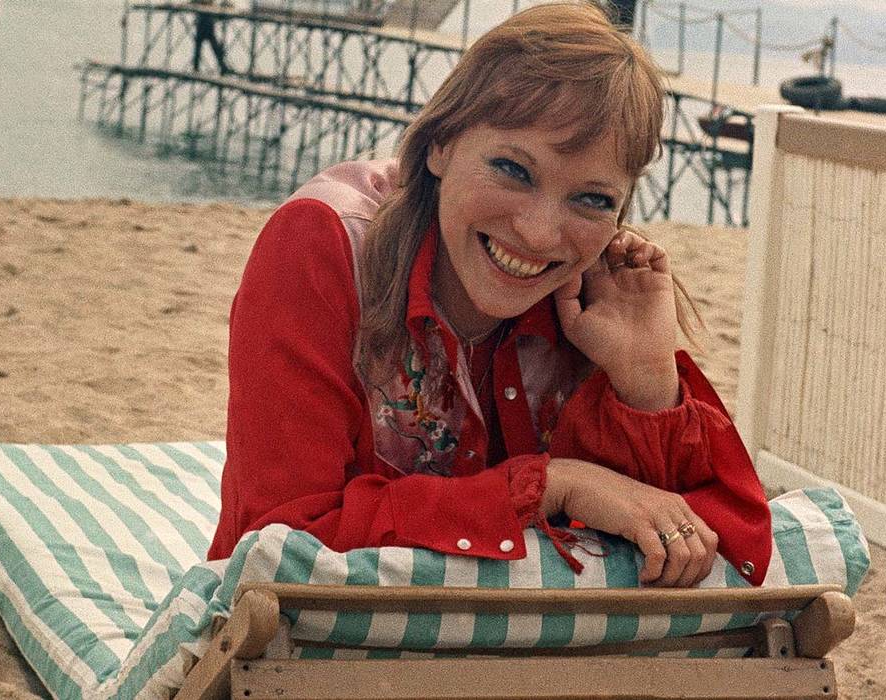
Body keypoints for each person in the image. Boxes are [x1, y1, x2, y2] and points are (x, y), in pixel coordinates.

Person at [208, 1, 772, 588]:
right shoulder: (323, 245)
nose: (538, 234)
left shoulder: (596, 293)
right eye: (512, 168)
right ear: (440, 143)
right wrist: (554, 485)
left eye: (593, 199)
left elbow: (727, 539)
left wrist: (647, 383)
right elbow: (277, 541)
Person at [192, 0, 231, 76]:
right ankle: (222, 66)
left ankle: (196, 67)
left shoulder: (206, 4)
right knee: (212, 48)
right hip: (206, 26)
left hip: (205, 26)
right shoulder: (206, 4)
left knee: (203, 48)